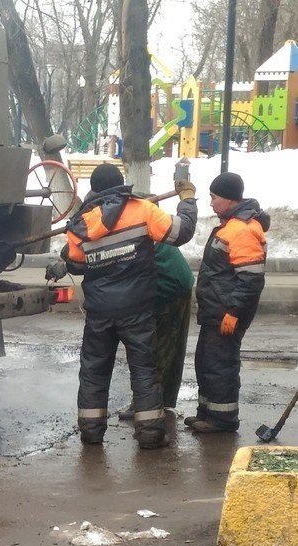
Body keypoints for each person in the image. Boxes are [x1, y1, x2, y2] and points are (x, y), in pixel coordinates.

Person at [52, 163, 197, 449]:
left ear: (94, 191)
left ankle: (91, 433)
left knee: (94, 370)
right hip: (136, 310)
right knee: (144, 370)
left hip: (99, 313)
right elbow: (182, 232)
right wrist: (188, 200)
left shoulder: (82, 223)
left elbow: (77, 263)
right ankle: (151, 435)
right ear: (121, 184)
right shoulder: (142, 210)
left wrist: (65, 261)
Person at [185, 172, 269, 433]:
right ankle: (207, 413)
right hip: (218, 310)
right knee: (207, 361)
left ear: (229, 199)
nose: (211, 203)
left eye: (214, 197)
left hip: (226, 312)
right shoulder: (232, 225)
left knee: (220, 364)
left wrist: (233, 312)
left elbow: (251, 280)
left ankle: (222, 420)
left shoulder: (242, 229)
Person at [118, 241, 194, 420]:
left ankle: (149, 405)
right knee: (170, 348)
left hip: (168, 286)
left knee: (157, 348)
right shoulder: (136, 218)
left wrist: (67, 262)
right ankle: (163, 402)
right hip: (176, 280)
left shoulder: (117, 226)